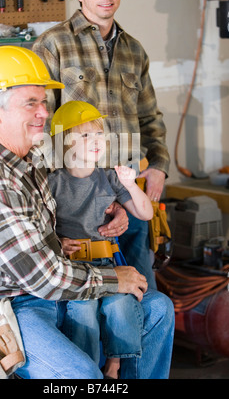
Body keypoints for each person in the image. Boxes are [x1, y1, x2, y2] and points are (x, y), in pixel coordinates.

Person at [0, 46, 174, 379]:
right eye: (30, 103)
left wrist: (113, 206)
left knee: (158, 311)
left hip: (57, 285)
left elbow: (82, 169)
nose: (42, 113)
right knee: (81, 375)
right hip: (10, 306)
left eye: (44, 102)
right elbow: (44, 278)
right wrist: (114, 279)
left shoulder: (28, 155)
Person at [33, 0, 170, 289]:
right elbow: (40, 128)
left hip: (127, 189)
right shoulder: (52, 45)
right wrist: (92, 202)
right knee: (90, 309)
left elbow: (150, 117)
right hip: (76, 205)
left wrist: (158, 166)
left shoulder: (134, 51)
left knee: (143, 297)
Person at [48, 100, 153, 379]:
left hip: (107, 263)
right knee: (82, 310)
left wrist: (130, 184)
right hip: (74, 267)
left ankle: (114, 367)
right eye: (85, 136)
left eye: (98, 134)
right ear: (66, 143)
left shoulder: (110, 178)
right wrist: (57, 241)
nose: (96, 141)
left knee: (121, 305)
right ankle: (86, 372)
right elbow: (40, 227)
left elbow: (146, 212)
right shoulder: (52, 183)